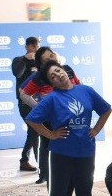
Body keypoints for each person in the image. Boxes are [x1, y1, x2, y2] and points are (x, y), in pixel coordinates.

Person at [25, 61, 111, 196]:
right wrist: (51, 134)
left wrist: (96, 130)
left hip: (85, 150)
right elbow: (32, 119)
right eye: (53, 76)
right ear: (51, 83)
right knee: (58, 192)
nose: (58, 75)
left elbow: (106, 109)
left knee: (84, 191)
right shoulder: (52, 98)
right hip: (61, 152)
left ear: (64, 70)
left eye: (58, 70)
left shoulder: (86, 90)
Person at [21, 47, 81, 185]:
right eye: (47, 59)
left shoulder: (68, 69)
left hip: (72, 117)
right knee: (49, 149)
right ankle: (46, 176)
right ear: (41, 64)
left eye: (52, 55)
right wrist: (40, 107)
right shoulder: (40, 77)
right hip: (52, 120)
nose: (52, 59)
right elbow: (23, 93)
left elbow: (79, 85)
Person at [13, 36, 40, 172]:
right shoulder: (18, 60)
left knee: (33, 131)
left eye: (37, 46)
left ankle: (25, 161)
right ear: (27, 47)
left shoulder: (40, 62)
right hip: (25, 102)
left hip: (39, 101)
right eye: (33, 46)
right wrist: (25, 59)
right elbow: (18, 74)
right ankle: (42, 166)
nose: (36, 49)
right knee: (34, 130)